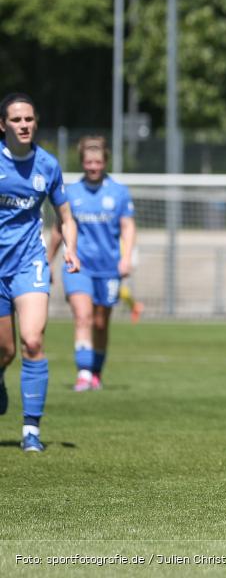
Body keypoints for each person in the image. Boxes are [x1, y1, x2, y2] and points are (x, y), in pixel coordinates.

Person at [0, 92, 80, 452]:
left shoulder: (47, 165)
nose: (24, 125)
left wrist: (71, 250)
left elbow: (65, 216)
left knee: (32, 340)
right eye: (16, 120)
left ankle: (31, 429)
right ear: (3, 125)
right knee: (4, 350)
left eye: (29, 119)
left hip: (30, 262)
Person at [48, 136, 136, 391]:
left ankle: (95, 371)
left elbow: (128, 226)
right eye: (88, 162)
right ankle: (84, 374)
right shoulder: (71, 192)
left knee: (100, 322)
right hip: (79, 266)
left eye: (97, 162)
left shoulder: (119, 192)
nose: (93, 166)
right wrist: (47, 260)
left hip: (109, 267)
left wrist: (127, 257)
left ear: (105, 161)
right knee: (83, 317)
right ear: (82, 162)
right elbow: (58, 229)